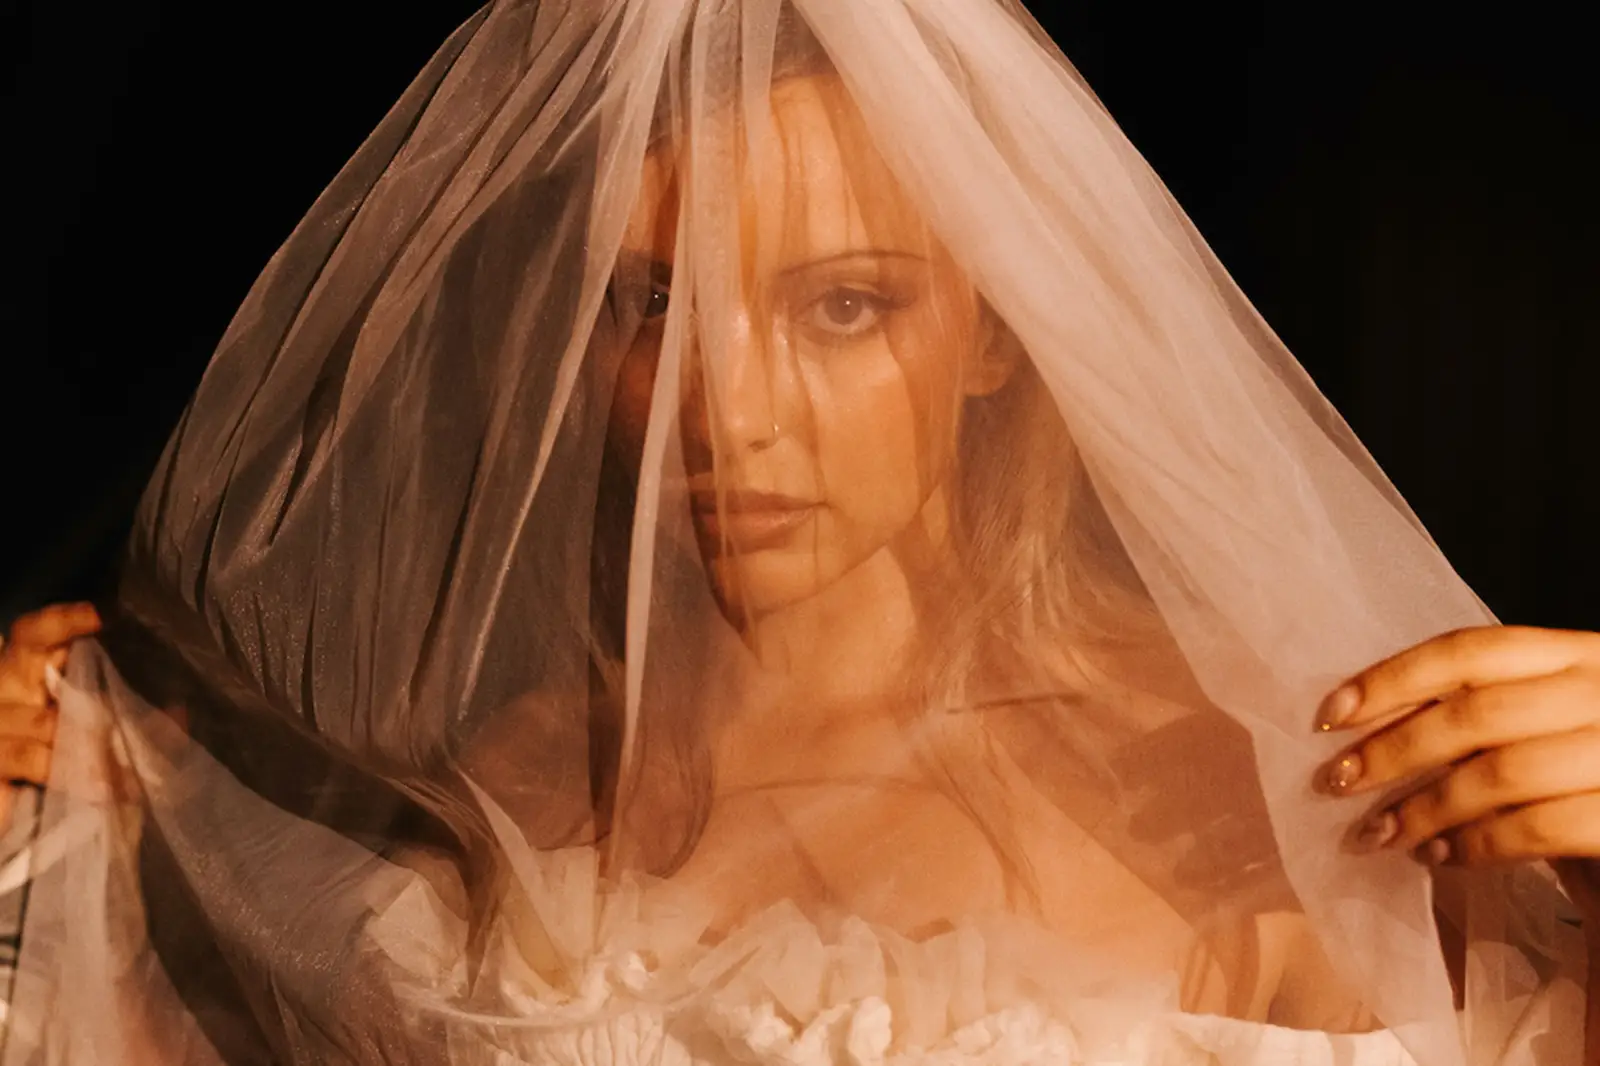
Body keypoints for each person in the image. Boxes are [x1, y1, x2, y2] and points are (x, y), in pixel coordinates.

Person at [2, 2, 1594, 1063]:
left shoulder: (1257, 795)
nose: (728, 415)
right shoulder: (491, 777)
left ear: (996, 330)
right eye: (650, 306)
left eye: (843, 306)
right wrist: (46, 824)